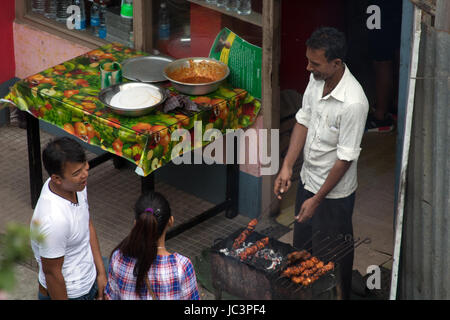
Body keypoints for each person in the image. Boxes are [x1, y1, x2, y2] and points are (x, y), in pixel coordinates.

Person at [274, 27, 369, 299]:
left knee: (332, 260)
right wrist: (288, 165)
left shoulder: (353, 103)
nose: (307, 67)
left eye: (314, 63)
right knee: (303, 252)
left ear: (336, 63)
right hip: (307, 180)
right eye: (308, 60)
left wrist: (317, 200)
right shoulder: (317, 79)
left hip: (333, 196)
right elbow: (303, 120)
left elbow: (345, 159)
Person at [30, 136, 107, 300]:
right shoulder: (53, 220)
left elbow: (87, 224)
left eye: (85, 165)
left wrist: (101, 273)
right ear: (56, 179)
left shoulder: (76, 185)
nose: (85, 174)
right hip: (71, 294)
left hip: (90, 277)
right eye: (77, 173)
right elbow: (52, 274)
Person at [104, 192, 200, 300]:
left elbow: (111, 297)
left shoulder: (118, 257)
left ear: (136, 224)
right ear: (170, 221)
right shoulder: (181, 267)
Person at [365, 0, 402, 133]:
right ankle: (396, 106)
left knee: (381, 58)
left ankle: (380, 116)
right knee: (399, 49)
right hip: (399, 6)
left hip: (380, 6)